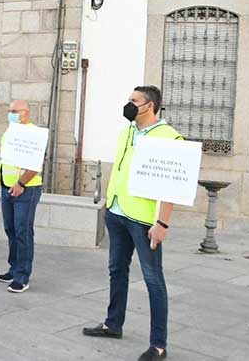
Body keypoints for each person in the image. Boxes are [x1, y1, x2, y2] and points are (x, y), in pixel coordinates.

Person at [82, 85, 183, 361]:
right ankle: (113, 324)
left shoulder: (169, 137)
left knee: (153, 279)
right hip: (116, 211)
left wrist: (162, 222)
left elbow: (171, 186)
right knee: (117, 269)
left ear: (149, 105)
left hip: (143, 219)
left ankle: (158, 345)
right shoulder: (127, 131)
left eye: (133, 101)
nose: (127, 105)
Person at [0, 99, 43, 293]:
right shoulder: (9, 133)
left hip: (27, 189)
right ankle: (13, 268)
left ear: (26, 113)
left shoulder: (34, 133)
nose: (10, 114)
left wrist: (21, 183)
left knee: (23, 231)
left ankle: (22, 276)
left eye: (14, 111)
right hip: (7, 187)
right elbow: (4, 162)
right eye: (9, 110)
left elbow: (35, 165)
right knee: (10, 228)